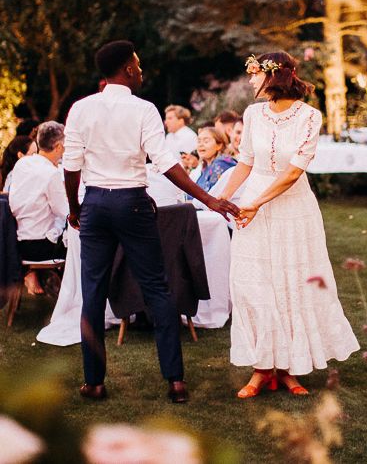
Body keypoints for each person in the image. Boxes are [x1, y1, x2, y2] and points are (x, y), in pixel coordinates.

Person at [63, 40, 239, 403]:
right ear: (127, 69)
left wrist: (75, 208)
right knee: (158, 289)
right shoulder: (144, 110)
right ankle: (175, 381)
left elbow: (70, 165)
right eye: (139, 66)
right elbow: (165, 162)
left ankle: (94, 382)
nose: (141, 72)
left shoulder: (81, 109)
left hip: (95, 203)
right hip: (133, 204)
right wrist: (207, 198)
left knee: (92, 294)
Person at [220, 51, 359, 398]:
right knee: (255, 285)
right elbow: (246, 162)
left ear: (272, 76)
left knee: (292, 284)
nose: (251, 81)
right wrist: (221, 198)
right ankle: (261, 368)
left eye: (254, 73)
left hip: (292, 209)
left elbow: (294, 172)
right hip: (252, 206)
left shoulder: (310, 117)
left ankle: (287, 370)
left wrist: (254, 203)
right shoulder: (253, 114)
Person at [8, 122, 68, 295]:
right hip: (43, 247)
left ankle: (46, 279)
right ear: (58, 147)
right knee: (87, 242)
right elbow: (64, 212)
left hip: (20, 243)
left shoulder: (22, 164)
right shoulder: (51, 174)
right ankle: (76, 294)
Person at [195, 127, 237, 192]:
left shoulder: (222, 163)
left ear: (219, 145)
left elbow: (209, 194)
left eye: (206, 141)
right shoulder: (205, 167)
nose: (201, 144)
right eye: (199, 141)